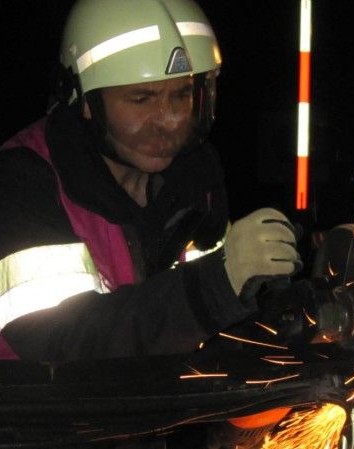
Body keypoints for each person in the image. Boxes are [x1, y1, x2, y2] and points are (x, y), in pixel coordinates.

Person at [0, 0, 301, 361]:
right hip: (37, 413)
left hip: (152, 409)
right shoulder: (22, 182)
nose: (170, 120)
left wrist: (290, 316)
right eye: (142, 99)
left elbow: (221, 328)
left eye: (182, 94)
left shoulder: (194, 179)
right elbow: (61, 341)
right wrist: (217, 285)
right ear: (84, 102)